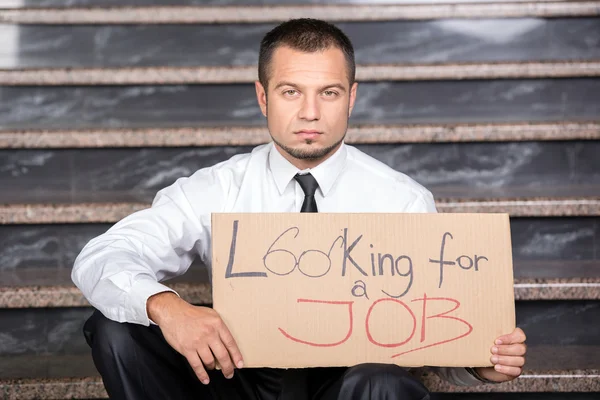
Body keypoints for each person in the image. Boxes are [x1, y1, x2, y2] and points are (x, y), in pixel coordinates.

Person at [73, 18, 527, 400]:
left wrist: (480, 366)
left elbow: (430, 328)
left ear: (351, 98)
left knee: (383, 382)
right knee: (116, 329)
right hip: (237, 374)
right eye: (291, 92)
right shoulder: (216, 187)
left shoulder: (401, 199)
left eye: (328, 93)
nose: (310, 112)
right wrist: (167, 307)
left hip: (346, 382)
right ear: (263, 96)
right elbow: (102, 256)